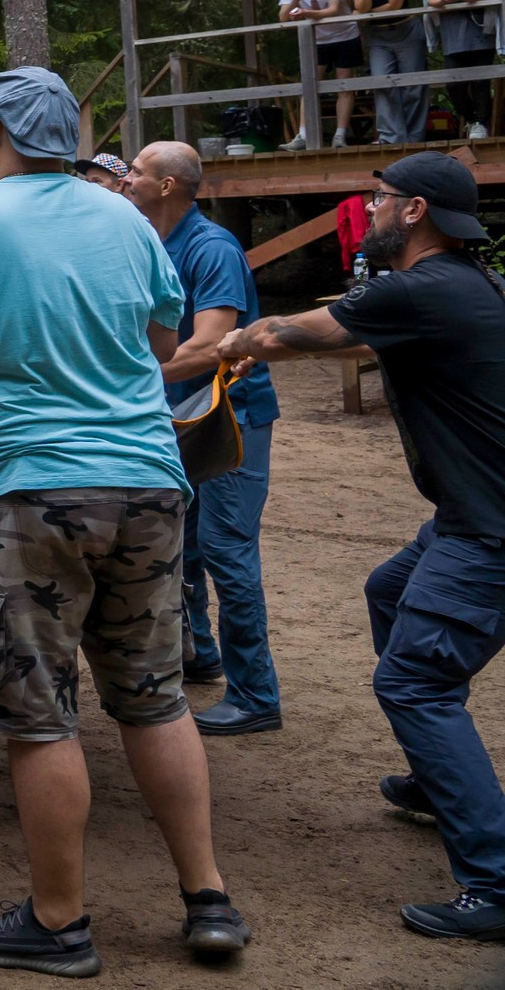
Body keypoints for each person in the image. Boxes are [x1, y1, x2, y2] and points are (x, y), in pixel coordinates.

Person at [0, 68, 248, 975]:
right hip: (151, 482)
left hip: (29, 490)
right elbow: (165, 339)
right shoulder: (122, 215)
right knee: (154, 697)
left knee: (38, 714)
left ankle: (59, 921)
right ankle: (209, 899)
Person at [218, 151, 505, 941]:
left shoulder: (424, 287)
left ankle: (497, 881)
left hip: (490, 528)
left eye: (378, 199)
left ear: (414, 211)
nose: (368, 210)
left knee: (414, 681)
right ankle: (436, 775)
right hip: (468, 516)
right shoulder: (448, 288)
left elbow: (294, 331)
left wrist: (217, 348)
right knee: (390, 589)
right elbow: (338, 337)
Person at [123, 142, 284, 735]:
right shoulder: (152, 241)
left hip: (231, 417)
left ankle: (256, 696)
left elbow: (209, 343)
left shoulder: (211, 247)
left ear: (167, 186)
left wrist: (122, 380)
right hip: (178, 415)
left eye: (136, 171)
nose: (126, 179)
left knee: (227, 550)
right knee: (178, 543)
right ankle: (201, 655)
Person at [279, 0, 361, 148]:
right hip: (315, 39)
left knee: (344, 84)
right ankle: (303, 135)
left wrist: (304, 12)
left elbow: (333, 10)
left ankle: (340, 135)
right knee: (309, 83)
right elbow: (283, 17)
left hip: (344, 34)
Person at [351, 0, 427, 145]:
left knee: (413, 85)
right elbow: (361, 4)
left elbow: (394, 5)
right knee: (382, 82)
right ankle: (391, 136)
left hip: (406, 31)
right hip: (379, 35)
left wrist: (364, 13)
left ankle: (414, 137)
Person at [424, 0, 501, 140]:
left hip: (480, 35)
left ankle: (482, 123)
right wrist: (438, 2)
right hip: (452, 39)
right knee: (453, 84)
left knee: (479, 83)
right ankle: (471, 119)